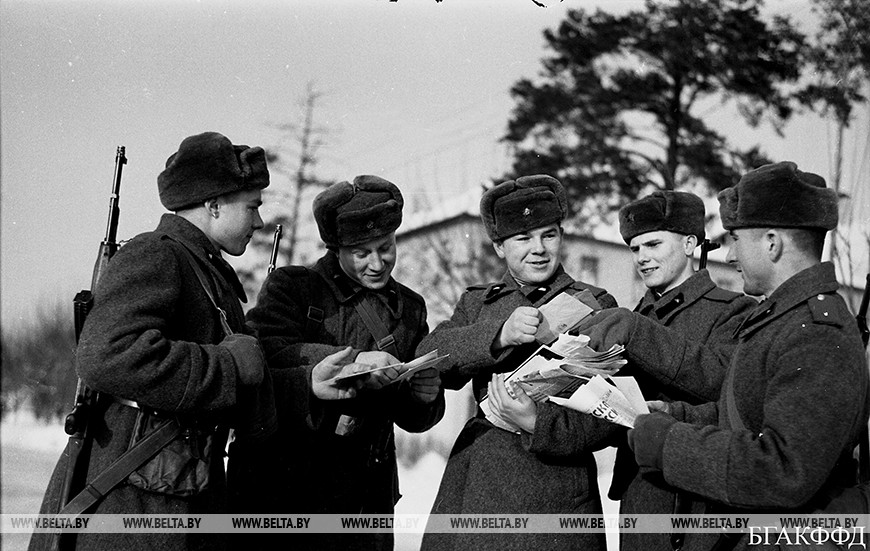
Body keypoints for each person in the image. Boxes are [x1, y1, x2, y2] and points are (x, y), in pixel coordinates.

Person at [30, 132, 360, 551]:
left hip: (174, 497)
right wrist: (228, 364)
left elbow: (235, 384)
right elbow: (105, 354)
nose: (259, 222)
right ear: (214, 204)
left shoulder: (207, 271)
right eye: (252, 206)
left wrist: (306, 383)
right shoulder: (158, 254)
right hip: (134, 508)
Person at [622, 162, 870, 550]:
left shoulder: (816, 332)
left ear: (772, 242)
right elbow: (750, 412)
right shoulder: (782, 318)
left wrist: (671, 443)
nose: (729, 251)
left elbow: (784, 469)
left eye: (736, 237)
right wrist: (676, 417)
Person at [244, 175, 444, 551]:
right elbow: (261, 360)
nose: (377, 263)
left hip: (368, 493)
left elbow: (415, 419)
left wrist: (424, 396)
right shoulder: (294, 288)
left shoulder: (410, 309)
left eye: (385, 247)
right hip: (291, 485)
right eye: (361, 252)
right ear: (336, 248)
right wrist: (349, 365)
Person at [418, 174, 617, 551]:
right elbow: (429, 357)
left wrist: (538, 423)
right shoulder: (479, 304)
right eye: (522, 238)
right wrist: (499, 335)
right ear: (498, 246)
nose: (538, 249)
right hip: (481, 481)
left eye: (549, 235)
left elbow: (608, 414)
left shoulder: (595, 304)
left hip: (559, 486)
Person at [578, 190, 757, 551]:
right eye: (634, 248)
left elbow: (724, 384)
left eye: (654, 244)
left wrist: (637, 333)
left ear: (690, 243)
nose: (642, 258)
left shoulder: (733, 310)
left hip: (695, 500)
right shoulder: (633, 317)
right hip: (640, 496)